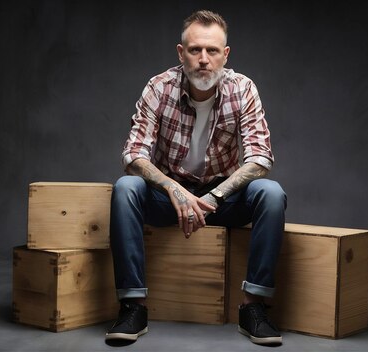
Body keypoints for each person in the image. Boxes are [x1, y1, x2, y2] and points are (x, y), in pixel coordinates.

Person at [106, 10, 286, 346]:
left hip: (223, 198)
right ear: (180, 52)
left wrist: (214, 197)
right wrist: (175, 190)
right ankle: (133, 306)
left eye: (212, 51)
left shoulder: (242, 88)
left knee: (271, 193)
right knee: (126, 187)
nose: (203, 59)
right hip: (169, 198)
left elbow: (261, 159)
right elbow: (132, 155)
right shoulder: (159, 87)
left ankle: (254, 308)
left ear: (225, 55)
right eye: (194, 50)